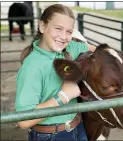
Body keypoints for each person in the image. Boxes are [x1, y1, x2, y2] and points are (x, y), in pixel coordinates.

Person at [15, 4, 96, 141]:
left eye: (69, 32)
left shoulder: (70, 48)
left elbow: (94, 49)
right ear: (42, 26)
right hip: (50, 135)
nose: (64, 37)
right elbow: (23, 121)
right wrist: (63, 96)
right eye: (58, 29)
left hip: (78, 127)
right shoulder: (32, 67)